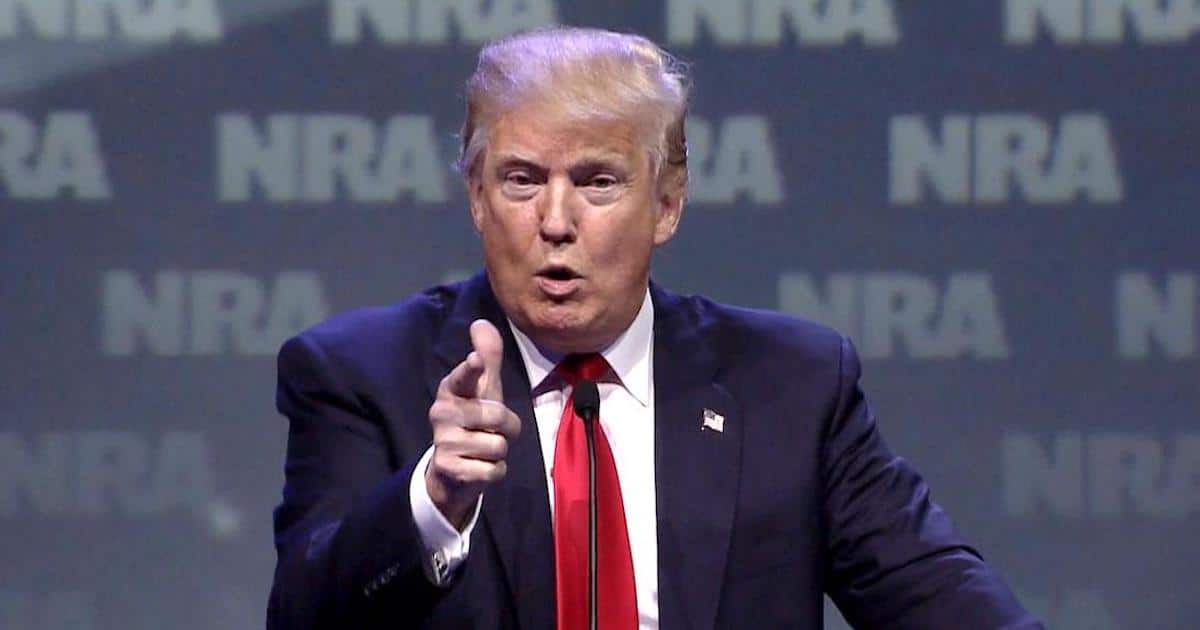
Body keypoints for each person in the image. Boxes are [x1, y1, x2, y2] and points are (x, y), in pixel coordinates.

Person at [267, 27, 1041, 629]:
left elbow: (941, 599)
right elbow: (302, 615)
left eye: (598, 182)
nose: (556, 221)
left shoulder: (792, 386)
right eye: (522, 180)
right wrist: (431, 503)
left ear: (667, 204)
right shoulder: (359, 373)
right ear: (475, 196)